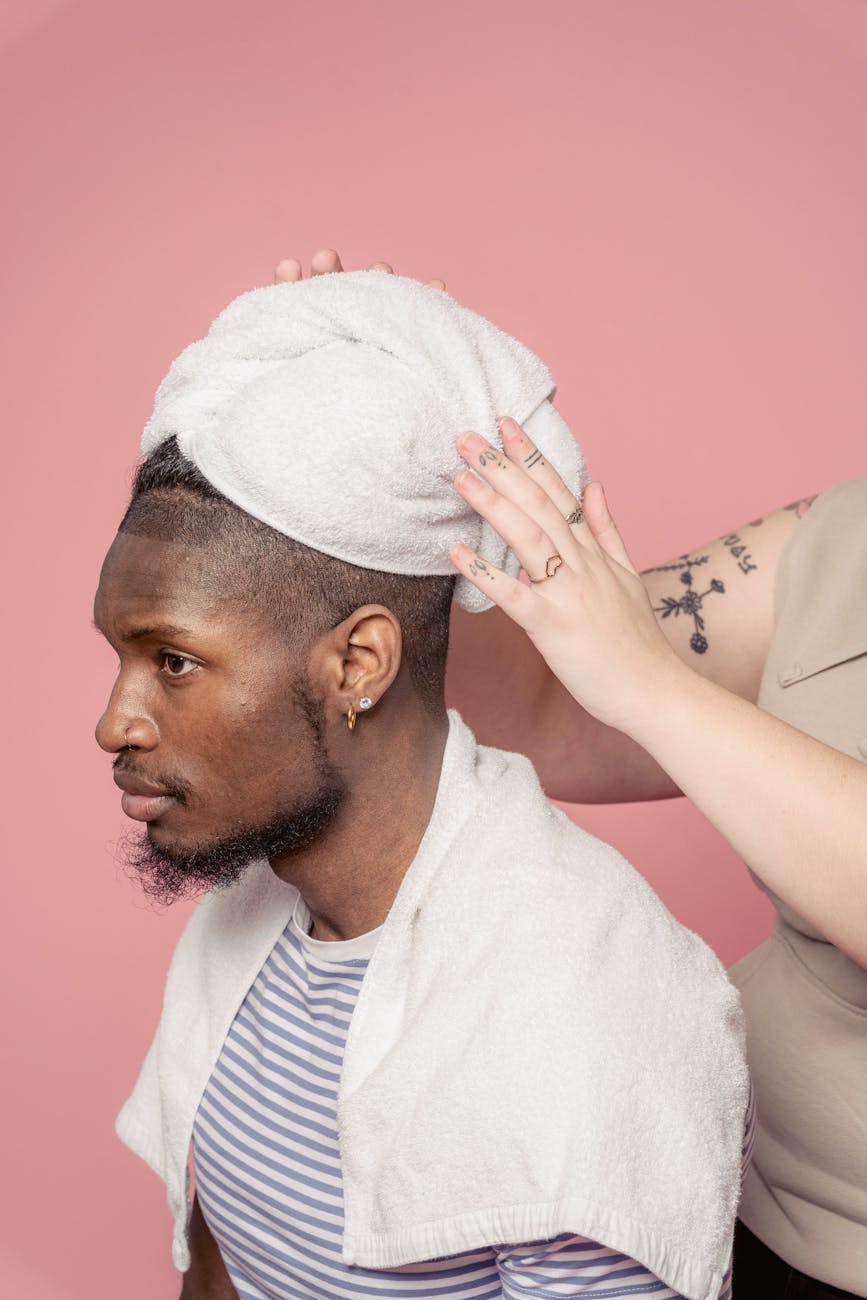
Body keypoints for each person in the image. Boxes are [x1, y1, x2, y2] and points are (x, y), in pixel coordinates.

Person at [97, 271, 749, 1300]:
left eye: (172, 661)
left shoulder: (581, 1012)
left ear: (358, 665)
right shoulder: (251, 931)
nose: (113, 724)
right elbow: (223, 1258)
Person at [279, 251, 866, 1299]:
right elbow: (556, 700)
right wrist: (382, 464)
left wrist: (653, 685)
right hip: (720, 1205)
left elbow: (633, 681)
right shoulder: (844, 543)